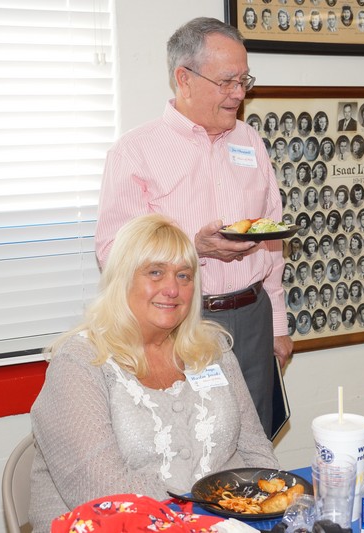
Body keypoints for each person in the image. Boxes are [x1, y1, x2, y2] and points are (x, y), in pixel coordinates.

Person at [95, 18, 293, 437]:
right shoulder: (135, 152)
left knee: (252, 441)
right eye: (226, 81)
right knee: (188, 441)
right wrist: (193, 246)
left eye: (244, 80)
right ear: (183, 79)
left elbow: (270, 238)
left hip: (253, 315)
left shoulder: (249, 141)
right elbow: (112, 253)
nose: (239, 94)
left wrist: (277, 324)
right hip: (179, 321)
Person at [30, 214, 278, 530]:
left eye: (184, 276)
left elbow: (257, 454)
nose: (172, 289)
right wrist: (205, 519)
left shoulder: (213, 347)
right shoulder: (80, 362)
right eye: (155, 272)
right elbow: (101, 492)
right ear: (122, 279)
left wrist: (264, 511)